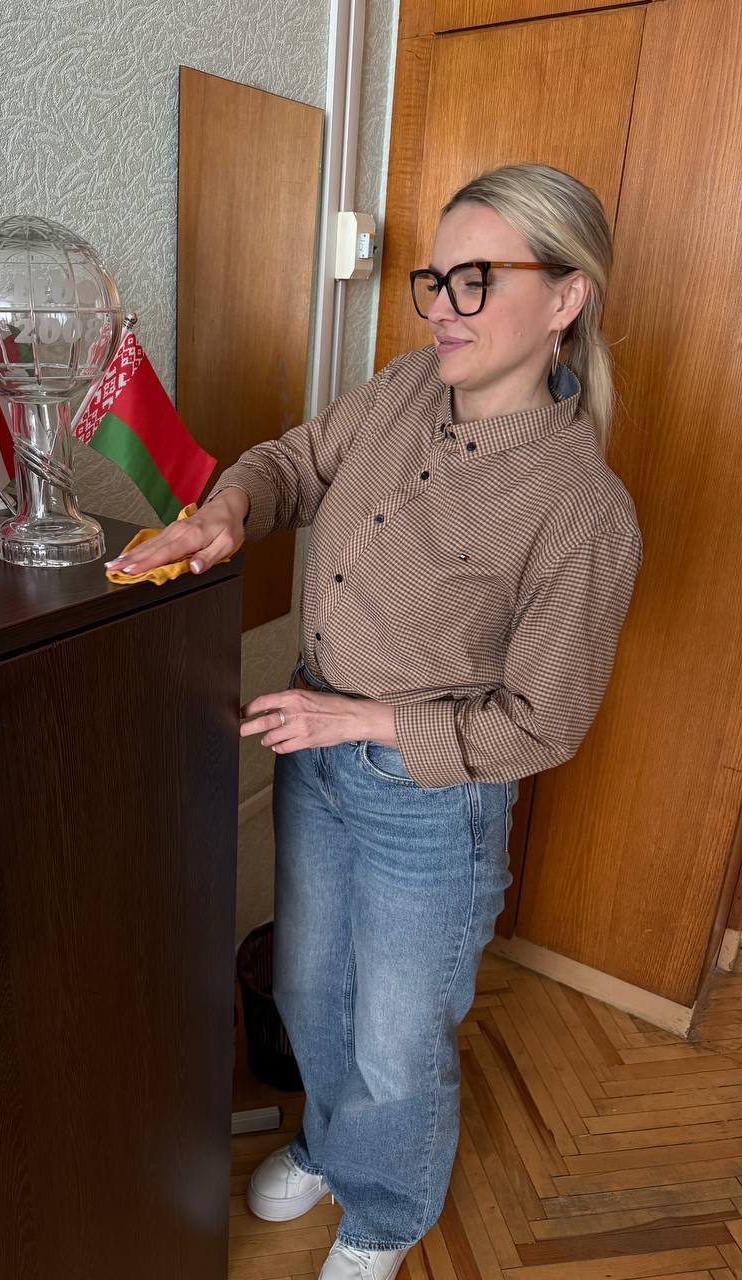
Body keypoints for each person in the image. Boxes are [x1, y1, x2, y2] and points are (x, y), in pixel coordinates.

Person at [105, 162, 643, 1280]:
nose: (443, 306)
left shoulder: (583, 510)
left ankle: (387, 1210)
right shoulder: (404, 387)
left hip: (429, 807)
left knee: (400, 1038)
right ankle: (330, 1141)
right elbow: (297, 462)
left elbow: (542, 723)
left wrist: (358, 717)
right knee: (310, 987)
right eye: (435, 279)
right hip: (320, 761)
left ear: (566, 297)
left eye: (476, 279)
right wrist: (228, 510)